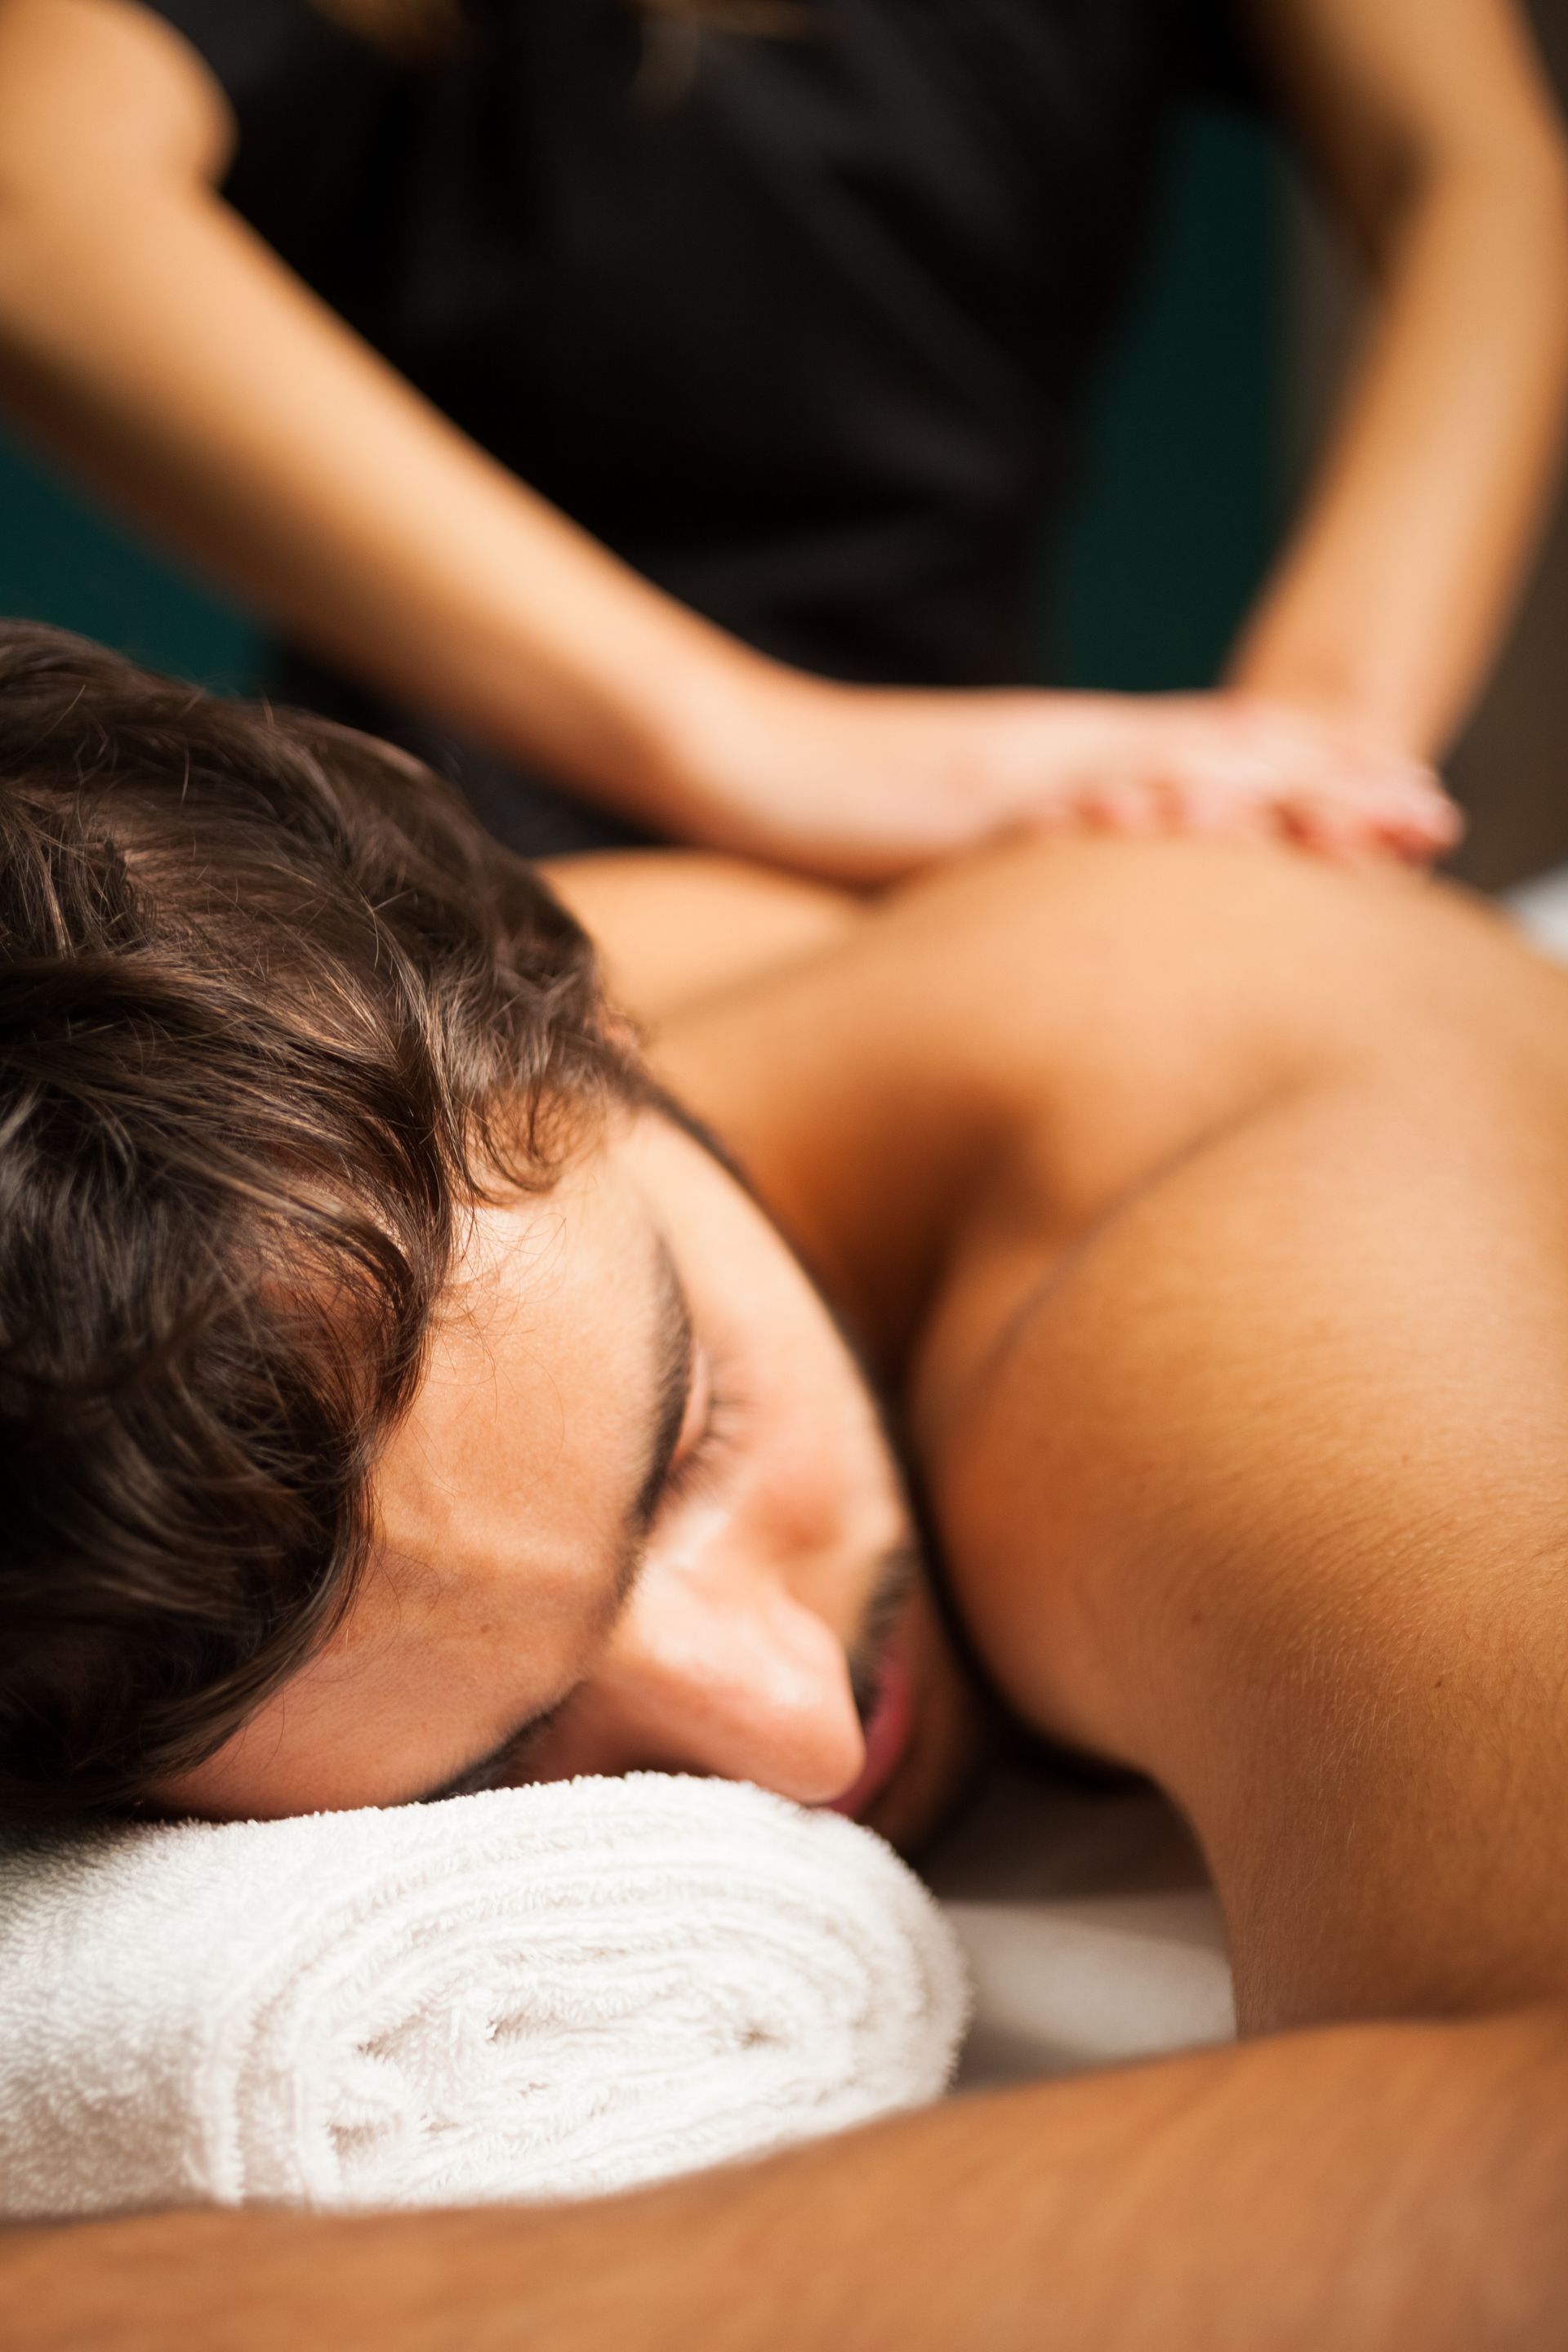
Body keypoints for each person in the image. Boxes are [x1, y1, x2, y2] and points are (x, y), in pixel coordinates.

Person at [3, 621, 1568, 2345]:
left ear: (590, 1010)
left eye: (692, 1445)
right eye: (492, 1768)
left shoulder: (1256, 1237)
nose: (801, 1731)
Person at [0, 0, 1564, 872]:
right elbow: (29, 190)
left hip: (1008, 806)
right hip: (473, 850)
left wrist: (1324, 738)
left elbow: (1479, 172)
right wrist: (746, 741)